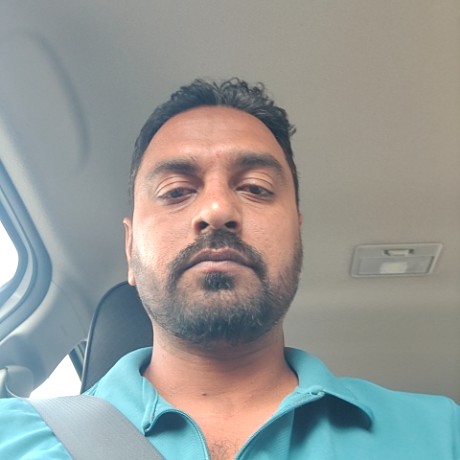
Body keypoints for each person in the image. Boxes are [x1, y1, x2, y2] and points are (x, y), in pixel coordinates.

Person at [0, 78, 459, 459]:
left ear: (297, 237)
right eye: (176, 191)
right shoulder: (13, 437)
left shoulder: (443, 433)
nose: (217, 209)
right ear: (130, 247)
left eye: (256, 188)